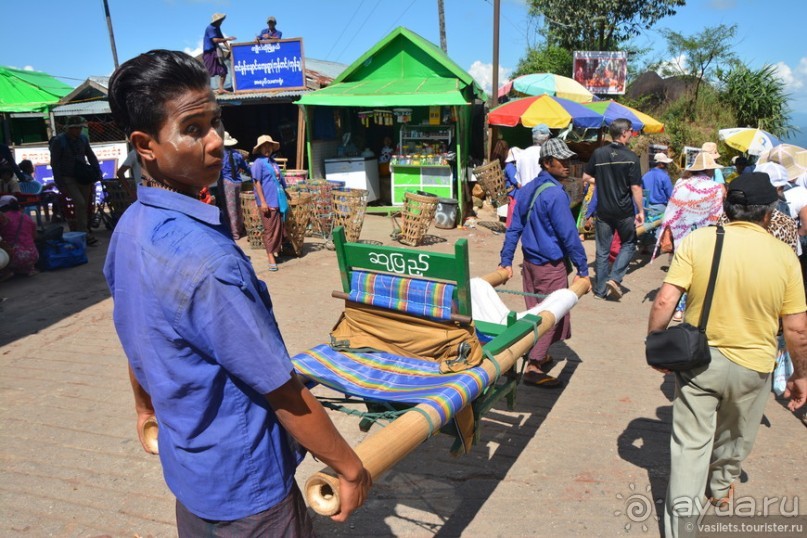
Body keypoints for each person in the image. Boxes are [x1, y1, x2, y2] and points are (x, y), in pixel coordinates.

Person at [105, 49, 370, 535]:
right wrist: (351, 468)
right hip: (247, 490)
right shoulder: (208, 261)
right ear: (145, 145)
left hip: (191, 473)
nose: (216, 142)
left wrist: (145, 408)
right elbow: (281, 390)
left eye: (216, 121)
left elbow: (136, 337)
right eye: (193, 129)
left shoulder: (129, 230)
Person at [647, 173, 807, 538]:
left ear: (726, 207)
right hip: (754, 366)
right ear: (768, 215)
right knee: (737, 434)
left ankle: (680, 531)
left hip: (698, 361)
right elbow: (797, 328)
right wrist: (801, 375)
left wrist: (655, 342)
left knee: (689, 448)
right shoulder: (785, 258)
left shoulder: (698, 241)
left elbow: (665, 300)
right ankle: (720, 486)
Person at [499, 139, 590, 388]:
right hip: (550, 266)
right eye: (562, 161)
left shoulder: (527, 189)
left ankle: (538, 352)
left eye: (569, 160)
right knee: (551, 315)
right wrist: (583, 269)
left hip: (529, 265)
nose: (568, 166)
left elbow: (513, 228)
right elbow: (569, 236)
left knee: (535, 313)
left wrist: (506, 260)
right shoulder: (555, 194)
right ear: (547, 163)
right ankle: (534, 365)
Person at [582, 118, 643, 301]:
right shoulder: (632, 158)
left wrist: (600, 181)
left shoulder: (599, 154)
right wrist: (641, 210)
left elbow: (585, 177)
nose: (632, 134)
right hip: (624, 211)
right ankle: (615, 278)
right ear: (624, 133)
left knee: (602, 251)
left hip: (603, 211)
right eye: (631, 131)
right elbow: (636, 188)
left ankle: (599, 292)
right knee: (629, 243)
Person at [49, 115, 101, 245]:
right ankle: (83, 233)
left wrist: (96, 170)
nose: (78, 131)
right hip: (68, 177)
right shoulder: (59, 141)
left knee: (85, 205)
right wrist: (59, 183)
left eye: (79, 128)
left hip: (83, 176)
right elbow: (55, 163)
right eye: (76, 128)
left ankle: (82, 231)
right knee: (80, 203)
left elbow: (91, 155)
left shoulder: (83, 139)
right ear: (69, 128)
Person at [251, 135, 287, 272]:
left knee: (279, 228)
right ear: (260, 149)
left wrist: (287, 192)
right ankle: (270, 255)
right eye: (264, 147)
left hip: (278, 199)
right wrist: (263, 202)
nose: (267, 149)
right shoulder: (258, 163)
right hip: (267, 201)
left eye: (269, 146)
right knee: (270, 230)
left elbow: (280, 179)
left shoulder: (272, 162)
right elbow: (257, 183)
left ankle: (275, 251)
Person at [217, 131, 250, 241]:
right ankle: (239, 229)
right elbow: (247, 168)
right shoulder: (237, 154)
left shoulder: (220, 156)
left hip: (227, 183)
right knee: (238, 208)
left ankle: (234, 233)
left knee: (230, 209)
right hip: (237, 183)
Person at [0, 195, 38, 280]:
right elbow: (34, 236)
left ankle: (6, 271)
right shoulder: (26, 217)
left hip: (14, 256)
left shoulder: (3, 218)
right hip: (33, 256)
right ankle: (28, 268)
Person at [203, 13, 236, 94]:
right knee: (208, 72)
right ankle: (206, 90)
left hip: (216, 52)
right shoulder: (210, 28)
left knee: (223, 70)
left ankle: (221, 88)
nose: (221, 22)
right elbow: (215, 40)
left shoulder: (217, 27)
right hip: (209, 53)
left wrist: (229, 49)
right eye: (220, 20)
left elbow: (222, 39)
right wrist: (228, 38)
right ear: (217, 20)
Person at [515, 124, 551, 188]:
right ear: (546, 138)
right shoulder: (546, 155)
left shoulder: (522, 154)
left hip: (524, 194)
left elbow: (519, 182)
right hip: (539, 194)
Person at [642, 152, 674, 219]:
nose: (667, 165)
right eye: (665, 164)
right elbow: (671, 195)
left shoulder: (645, 176)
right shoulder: (665, 177)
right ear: (661, 164)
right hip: (661, 208)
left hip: (647, 209)